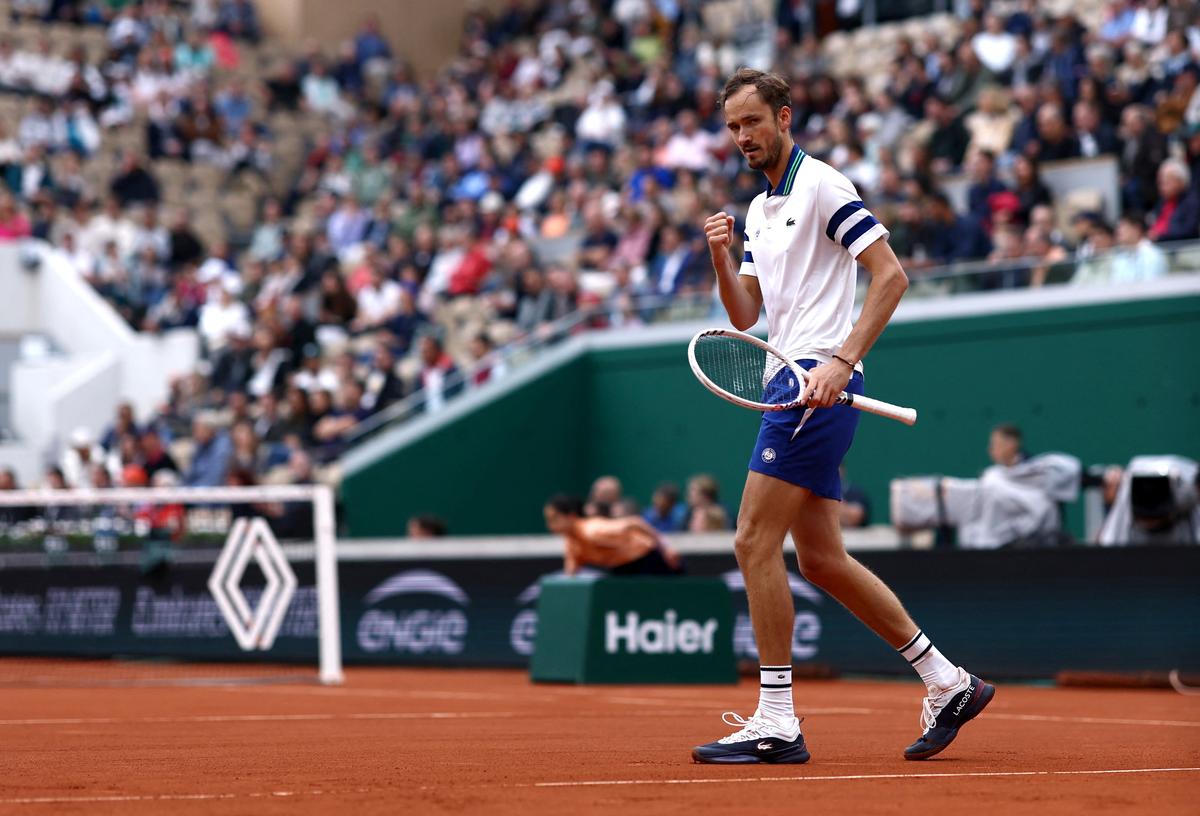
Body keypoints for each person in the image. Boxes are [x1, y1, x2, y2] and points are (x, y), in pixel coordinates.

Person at [692, 69, 993, 766]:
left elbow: (891, 276)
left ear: (785, 118)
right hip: (789, 384)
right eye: (733, 126)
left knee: (750, 542)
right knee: (823, 560)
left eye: (752, 122)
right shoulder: (759, 213)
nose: (742, 136)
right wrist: (717, 254)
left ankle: (776, 719)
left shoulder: (824, 184)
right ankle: (947, 681)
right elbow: (745, 316)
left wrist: (841, 358)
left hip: (814, 389)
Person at [542, 494, 683, 577]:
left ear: (571, 516)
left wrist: (665, 548)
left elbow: (634, 522)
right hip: (623, 568)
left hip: (649, 559)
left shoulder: (593, 530)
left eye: (554, 519)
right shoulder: (572, 543)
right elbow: (570, 574)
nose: (550, 525)